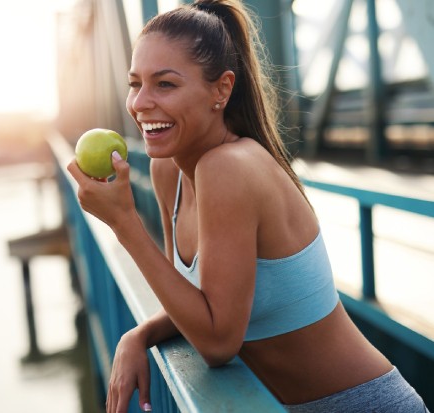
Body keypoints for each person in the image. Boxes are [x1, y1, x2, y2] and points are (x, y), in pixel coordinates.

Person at [67, 0, 429, 412]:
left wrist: (124, 222)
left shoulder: (230, 168)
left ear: (221, 89)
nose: (140, 103)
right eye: (135, 83)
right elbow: (195, 303)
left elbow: (218, 342)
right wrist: (140, 335)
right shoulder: (168, 171)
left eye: (164, 84)